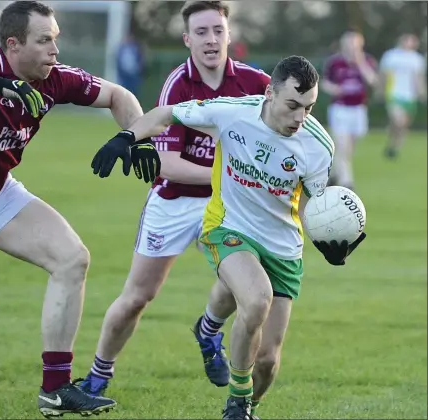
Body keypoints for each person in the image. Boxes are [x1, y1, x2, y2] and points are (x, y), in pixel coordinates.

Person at [0, 1, 159, 418]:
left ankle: (56, 389)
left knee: (72, 259)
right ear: (13, 45)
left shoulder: (54, 79)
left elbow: (117, 94)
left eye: (55, 39)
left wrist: (138, 136)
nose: (55, 50)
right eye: (45, 41)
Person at [92, 55, 367, 419]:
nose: (300, 117)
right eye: (292, 105)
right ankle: (237, 401)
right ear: (269, 94)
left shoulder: (318, 145)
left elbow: (312, 207)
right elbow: (165, 114)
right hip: (228, 227)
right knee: (255, 299)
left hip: (282, 245)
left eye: (309, 107)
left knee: (267, 362)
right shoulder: (232, 112)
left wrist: (327, 241)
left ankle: (242, 400)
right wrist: (126, 137)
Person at [79, 0, 270, 397]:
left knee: (247, 286)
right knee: (136, 297)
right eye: (201, 32)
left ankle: (208, 329)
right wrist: (228, 177)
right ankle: (97, 377)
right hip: (173, 202)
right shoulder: (177, 85)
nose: (211, 39)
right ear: (187, 40)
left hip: (227, 207)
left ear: (229, 34)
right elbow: (165, 162)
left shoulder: (256, 84)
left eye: (218, 30)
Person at [321, 30, 378, 190]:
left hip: (358, 109)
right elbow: (325, 82)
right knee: (342, 145)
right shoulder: (334, 62)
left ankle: (334, 176)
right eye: (349, 44)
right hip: (340, 108)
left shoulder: (366, 60)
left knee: (349, 149)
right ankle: (347, 183)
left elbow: (373, 81)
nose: (352, 48)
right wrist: (334, 89)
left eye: (355, 44)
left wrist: (360, 63)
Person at [378, 33, 427, 159]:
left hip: (410, 96)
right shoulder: (391, 56)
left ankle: (393, 147)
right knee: (398, 121)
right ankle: (392, 133)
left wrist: (422, 92)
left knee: (403, 125)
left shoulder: (417, 59)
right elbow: (383, 75)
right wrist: (381, 90)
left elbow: (419, 78)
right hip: (394, 94)